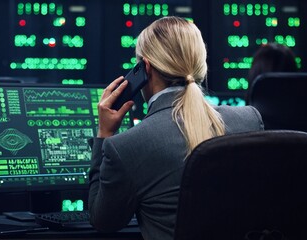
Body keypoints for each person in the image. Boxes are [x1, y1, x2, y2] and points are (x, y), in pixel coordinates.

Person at [88, 16, 264, 240]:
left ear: (146, 68)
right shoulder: (249, 121)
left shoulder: (125, 147)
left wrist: (104, 134)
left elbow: (103, 221)